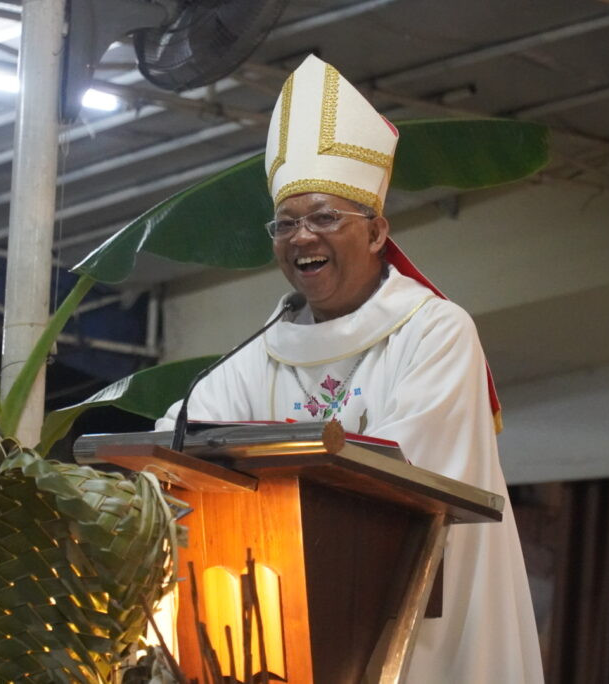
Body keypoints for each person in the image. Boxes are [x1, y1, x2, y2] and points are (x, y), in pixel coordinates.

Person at [157, 54, 543, 683]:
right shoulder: (263, 349)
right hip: (295, 630)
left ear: (375, 232)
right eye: (286, 224)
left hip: (417, 622)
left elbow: (410, 472)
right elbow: (179, 436)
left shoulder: (435, 331)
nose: (302, 236)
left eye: (326, 217)